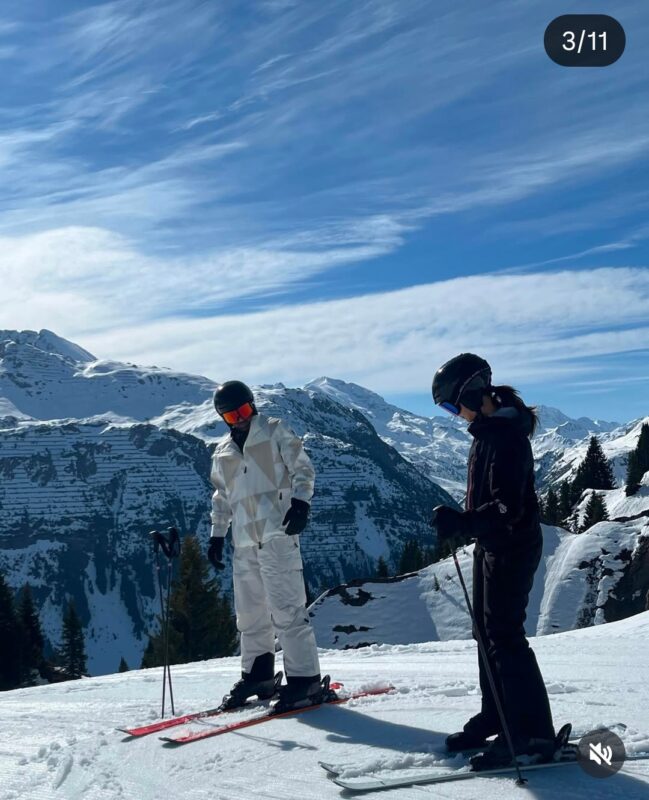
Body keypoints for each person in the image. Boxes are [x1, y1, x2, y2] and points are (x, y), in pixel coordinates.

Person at [431, 353, 556, 770]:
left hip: (513, 545)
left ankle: (530, 733)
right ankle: (497, 714)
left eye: (452, 405)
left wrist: (464, 522)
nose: (454, 414)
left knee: (505, 636)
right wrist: (467, 524)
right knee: (485, 633)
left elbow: (508, 507)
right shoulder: (488, 432)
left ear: (469, 391)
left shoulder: (506, 437)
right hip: (492, 544)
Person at [207, 380, 327, 712]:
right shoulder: (223, 453)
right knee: (249, 615)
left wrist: (301, 502)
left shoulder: (274, 431)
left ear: (253, 406)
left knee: (287, 610)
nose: (240, 420)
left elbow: (303, 468)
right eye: (231, 417)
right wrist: (218, 535)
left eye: (243, 411)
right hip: (244, 543)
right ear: (224, 419)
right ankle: (258, 674)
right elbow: (221, 498)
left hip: (277, 535)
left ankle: (305, 680)